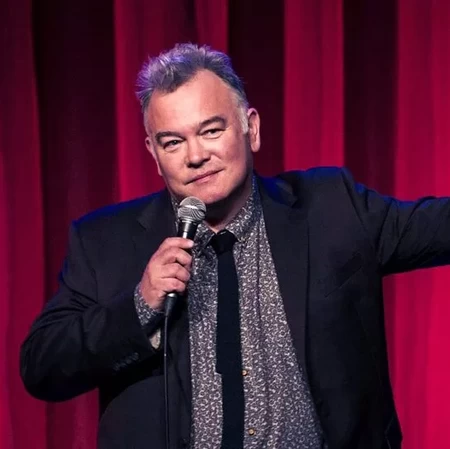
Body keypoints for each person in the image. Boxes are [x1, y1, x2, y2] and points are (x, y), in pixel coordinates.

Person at [20, 43, 450, 449]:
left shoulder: (331, 208)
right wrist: (139, 306)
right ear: (154, 153)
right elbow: (42, 366)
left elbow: (437, 227)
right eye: (173, 142)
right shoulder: (104, 242)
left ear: (251, 128)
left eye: (211, 130)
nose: (195, 156)